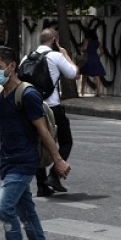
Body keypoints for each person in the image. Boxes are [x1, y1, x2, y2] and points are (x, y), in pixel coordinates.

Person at [0, 46, 70, 240]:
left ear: (11, 67)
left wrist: (58, 160)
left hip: (23, 161)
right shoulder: (0, 95)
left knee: (3, 208)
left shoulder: (27, 94)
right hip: (7, 161)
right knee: (25, 210)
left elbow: (42, 130)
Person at [26, 29, 78, 197]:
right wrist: (65, 54)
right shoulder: (55, 56)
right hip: (52, 107)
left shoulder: (26, 58)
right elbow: (74, 73)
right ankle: (54, 176)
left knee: (38, 144)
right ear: (55, 40)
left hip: (32, 106)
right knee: (66, 141)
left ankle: (41, 185)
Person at [78, 30, 106, 96]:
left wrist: (81, 49)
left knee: (85, 75)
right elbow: (102, 51)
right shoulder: (97, 42)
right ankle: (98, 92)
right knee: (97, 75)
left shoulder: (87, 40)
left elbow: (84, 48)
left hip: (88, 58)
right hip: (95, 58)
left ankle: (82, 92)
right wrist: (97, 56)